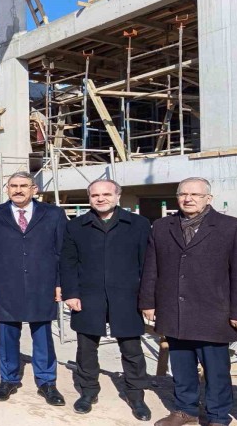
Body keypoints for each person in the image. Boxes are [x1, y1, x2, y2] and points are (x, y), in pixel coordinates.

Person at [139, 177, 237, 426]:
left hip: (214, 312)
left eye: (195, 195)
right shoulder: (162, 226)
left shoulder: (233, 227)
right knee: (181, 367)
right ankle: (185, 410)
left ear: (208, 199)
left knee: (216, 370)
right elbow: (151, 267)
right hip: (175, 309)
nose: (188, 199)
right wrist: (148, 301)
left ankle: (218, 416)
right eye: (183, 194)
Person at [61, 179, 151, 421]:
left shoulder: (138, 224)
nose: (100, 199)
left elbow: (148, 265)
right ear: (89, 198)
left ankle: (136, 395)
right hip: (88, 296)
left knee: (132, 350)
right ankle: (88, 391)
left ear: (118, 196)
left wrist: (147, 299)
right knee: (86, 349)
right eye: (95, 195)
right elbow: (68, 262)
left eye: (106, 194)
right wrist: (71, 293)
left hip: (127, 297)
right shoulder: (76, 226)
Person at [0, 171, 68, 406]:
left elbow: (63, 252)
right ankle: (8, 380)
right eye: (13, 186)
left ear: (34, 189)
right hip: (5, 285)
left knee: (43, 334)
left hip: (43, 284)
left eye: (23, 186)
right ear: (7, 189)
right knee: (7, 334)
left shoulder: (54, 214)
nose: (18, 190)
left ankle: (47, 382)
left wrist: (60, 282)